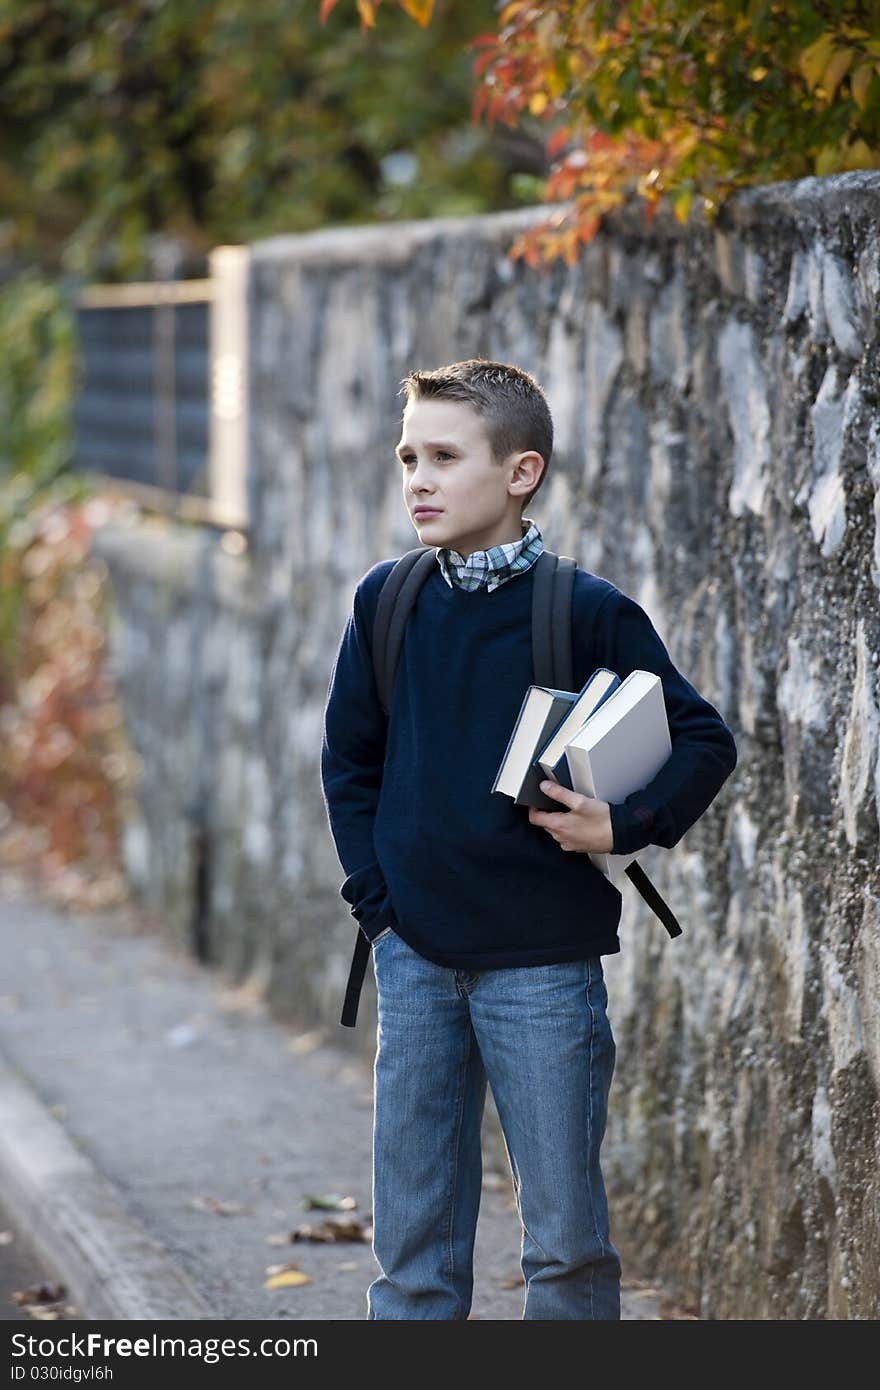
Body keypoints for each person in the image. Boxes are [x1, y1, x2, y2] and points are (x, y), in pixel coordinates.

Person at [320, 358, 737, 1320]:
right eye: (408, 456)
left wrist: (624, 823)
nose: (417, 478)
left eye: (444, 457)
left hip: (545, 969)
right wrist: (381, 911)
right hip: (416, 958)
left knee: (565, 1248)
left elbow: (703, 738)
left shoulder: (583, 610)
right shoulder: (385, 603)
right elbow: (350, 766)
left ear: (521, 472)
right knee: (413, 1253)